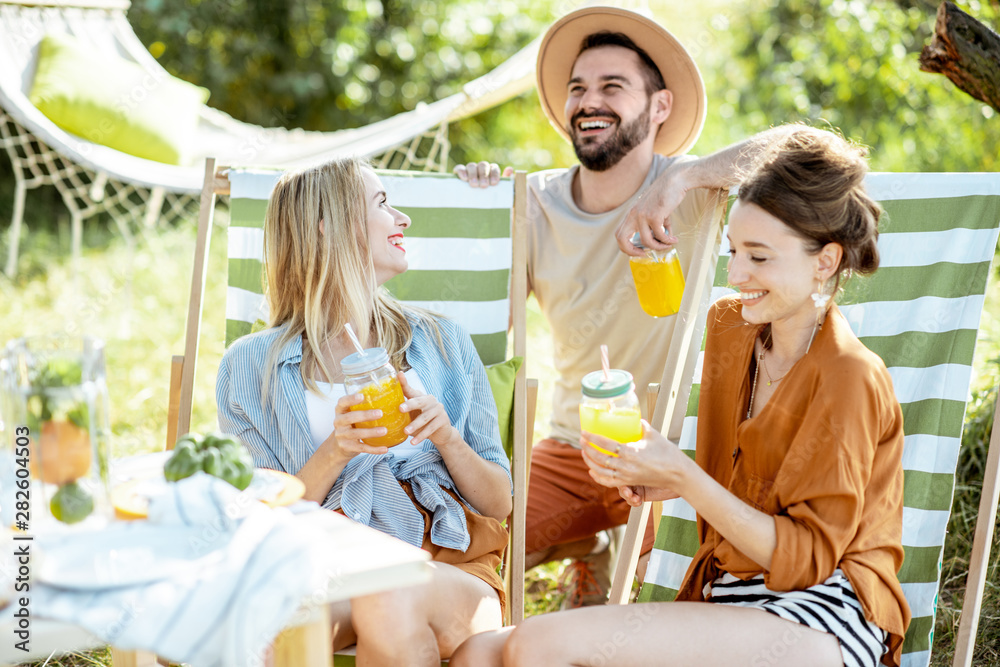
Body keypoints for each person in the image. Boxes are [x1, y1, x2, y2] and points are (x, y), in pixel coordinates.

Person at [454, 126, 911, 667]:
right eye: (734, 251)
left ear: (826, 261)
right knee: (480, 652)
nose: (736, 274)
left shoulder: (850, 374)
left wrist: (683, 477)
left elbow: (806, 561)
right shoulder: (731, 329)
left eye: (759, 258)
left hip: (821, 616)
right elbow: (731, 484)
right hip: (728, 593)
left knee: (534, 645)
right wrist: (655, 478)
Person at [457, 6, 796, 603]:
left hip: (684, 448)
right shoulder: (531, 201)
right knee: (471, 545)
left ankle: (621, 555)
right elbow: (485, 321)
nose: (590, 102)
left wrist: (678, 182)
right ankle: (590, 542)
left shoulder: (698, 188)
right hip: (576, 444)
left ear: (659, 107)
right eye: (578, 89)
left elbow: (803, 147)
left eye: (613, 87)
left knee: (676, 595)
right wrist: (481, 208)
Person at [215, 157, 513, 666]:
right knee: (257, 631)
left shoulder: (442, 343)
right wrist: (335, 450)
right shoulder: (251, 366)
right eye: (382, 203)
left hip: (450, 568)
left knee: (390, 593)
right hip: (326, 567)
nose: (403, 219)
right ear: (328, 226)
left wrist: (447, 438)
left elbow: (500, 502)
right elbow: (262, 521)